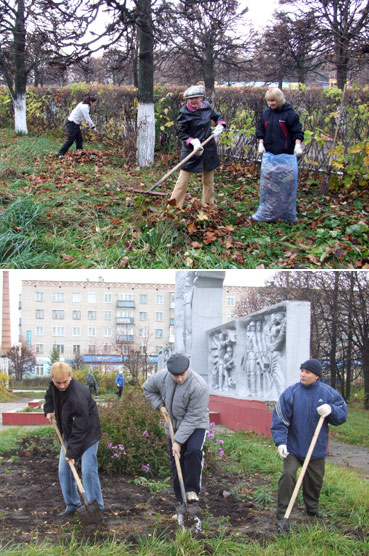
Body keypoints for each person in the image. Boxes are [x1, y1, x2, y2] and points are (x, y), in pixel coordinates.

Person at [271, 358, 347, 529]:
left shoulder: (328, 394)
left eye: (307, 372)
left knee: (315, 480)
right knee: (289, 476)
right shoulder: (291, 393)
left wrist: (331, 410)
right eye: (302, 370)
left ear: (317, 376)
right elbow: (280, 419)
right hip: (293, 447)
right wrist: (281, 442)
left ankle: (312, 510)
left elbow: (343, 413)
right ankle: (283, 514)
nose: (302, 374)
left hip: (316, 448)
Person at [142, 353, 209, 516]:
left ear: (188, 369)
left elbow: (193, 417)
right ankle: (182, 504)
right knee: (176, 463)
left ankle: (192, 492)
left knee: (192, 452)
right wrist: (159, 405)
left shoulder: (199, 386)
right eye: (175, 376)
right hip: (173, 425)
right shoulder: (163, 377)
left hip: (196, 425)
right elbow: (147, 389)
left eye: (182, 375)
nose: (179, 379)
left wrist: (177, 442)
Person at [44, 362, 104, 517]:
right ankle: (72, 505)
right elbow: (50, 396)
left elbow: (81, 427)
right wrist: (49, 410)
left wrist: (72, 452)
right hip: (71, 433)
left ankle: (96, 509)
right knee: (65, 470)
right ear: (53, 379)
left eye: (65, 382)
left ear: (70, 376)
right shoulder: (54, 386)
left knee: (88, 471)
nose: (62, 386)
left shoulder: (78, 394)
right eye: (58, 383)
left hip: (88, 434)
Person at [169, 85, 226, 209]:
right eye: (190, 98)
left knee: (209, 179)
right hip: (192, 150)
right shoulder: (184, 113)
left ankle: (208, 205)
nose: (193, 100)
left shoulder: (207, 107)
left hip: (208, 148)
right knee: (182, 180)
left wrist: (220, 125)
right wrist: (193, 141)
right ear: (187, 100)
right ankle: (173, 207)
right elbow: (181, 132)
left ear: (201, 98)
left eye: (196, 97)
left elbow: (217, 116)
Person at [252, 87, 304, 222]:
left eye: (273, 101)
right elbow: (261, 129)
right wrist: (261, 143)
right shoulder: (266, 114)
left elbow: (297, 131)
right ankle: (267, 212)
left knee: (285, 185)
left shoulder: (290, 114)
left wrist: (297, 145)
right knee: (268, 185)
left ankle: (286, 214)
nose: (271, 104)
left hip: (285, 156)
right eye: (269, 101)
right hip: (269, 156)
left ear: (280, 99)